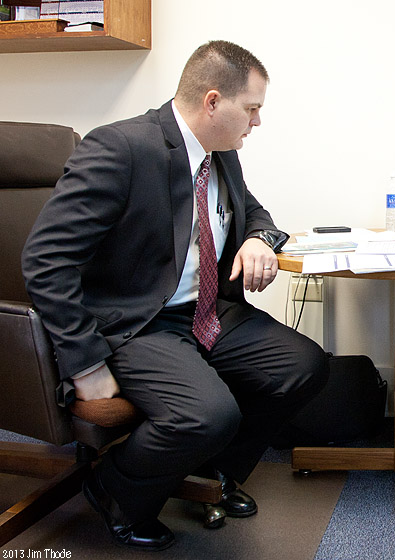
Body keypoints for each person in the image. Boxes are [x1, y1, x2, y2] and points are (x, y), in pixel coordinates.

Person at [22, 40, 329, 551]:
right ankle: (115, 489)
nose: (257, 122)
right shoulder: (120, 148)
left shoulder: (221, 154)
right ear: (213, 102)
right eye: (251, 109)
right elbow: (45, 260)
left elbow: (256, 213)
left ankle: (213, 472)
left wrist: (258, 238)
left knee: (302, 365)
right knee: (208, 413)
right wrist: (85, 365)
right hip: (136, 321)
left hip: (202, 311)